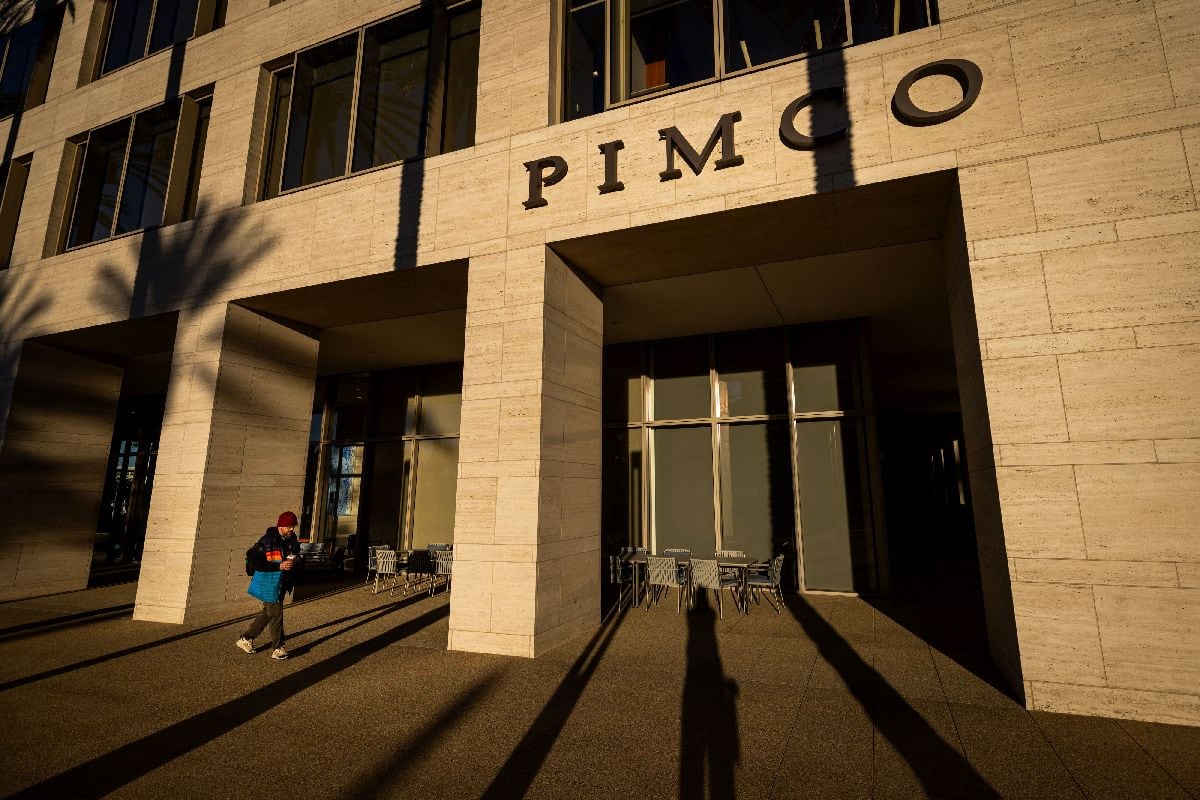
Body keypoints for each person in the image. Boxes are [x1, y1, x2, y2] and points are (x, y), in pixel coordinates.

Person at [236, 511, 302, 660]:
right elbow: (256, 562)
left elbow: (296, 553)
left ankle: (246, 638)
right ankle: (278, 648)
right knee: (276, 614)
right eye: (289, 526)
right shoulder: (267, 541)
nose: (291, 529)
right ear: (281, 525)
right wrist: (279, 566)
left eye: (293, 526)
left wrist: (296, 559)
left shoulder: (291, 539)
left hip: (282, 582)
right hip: (269, 583)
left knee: (268, 613)